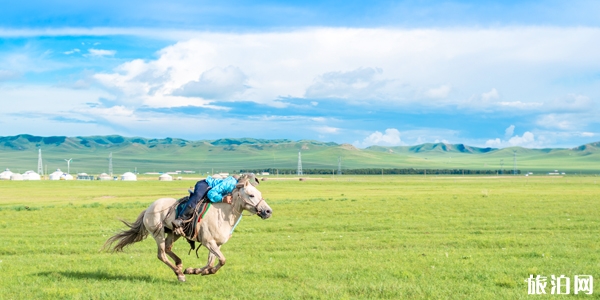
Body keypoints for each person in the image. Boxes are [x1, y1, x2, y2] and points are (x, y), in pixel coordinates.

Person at [172, 174, 239, 230]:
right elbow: (211, 193)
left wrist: (230, 231)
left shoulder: (239, 193)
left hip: (216, 192)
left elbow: (238, 215)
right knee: (198, 196)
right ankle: (181, 219)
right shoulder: (230, 183)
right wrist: (222, 199)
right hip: (206, 184)